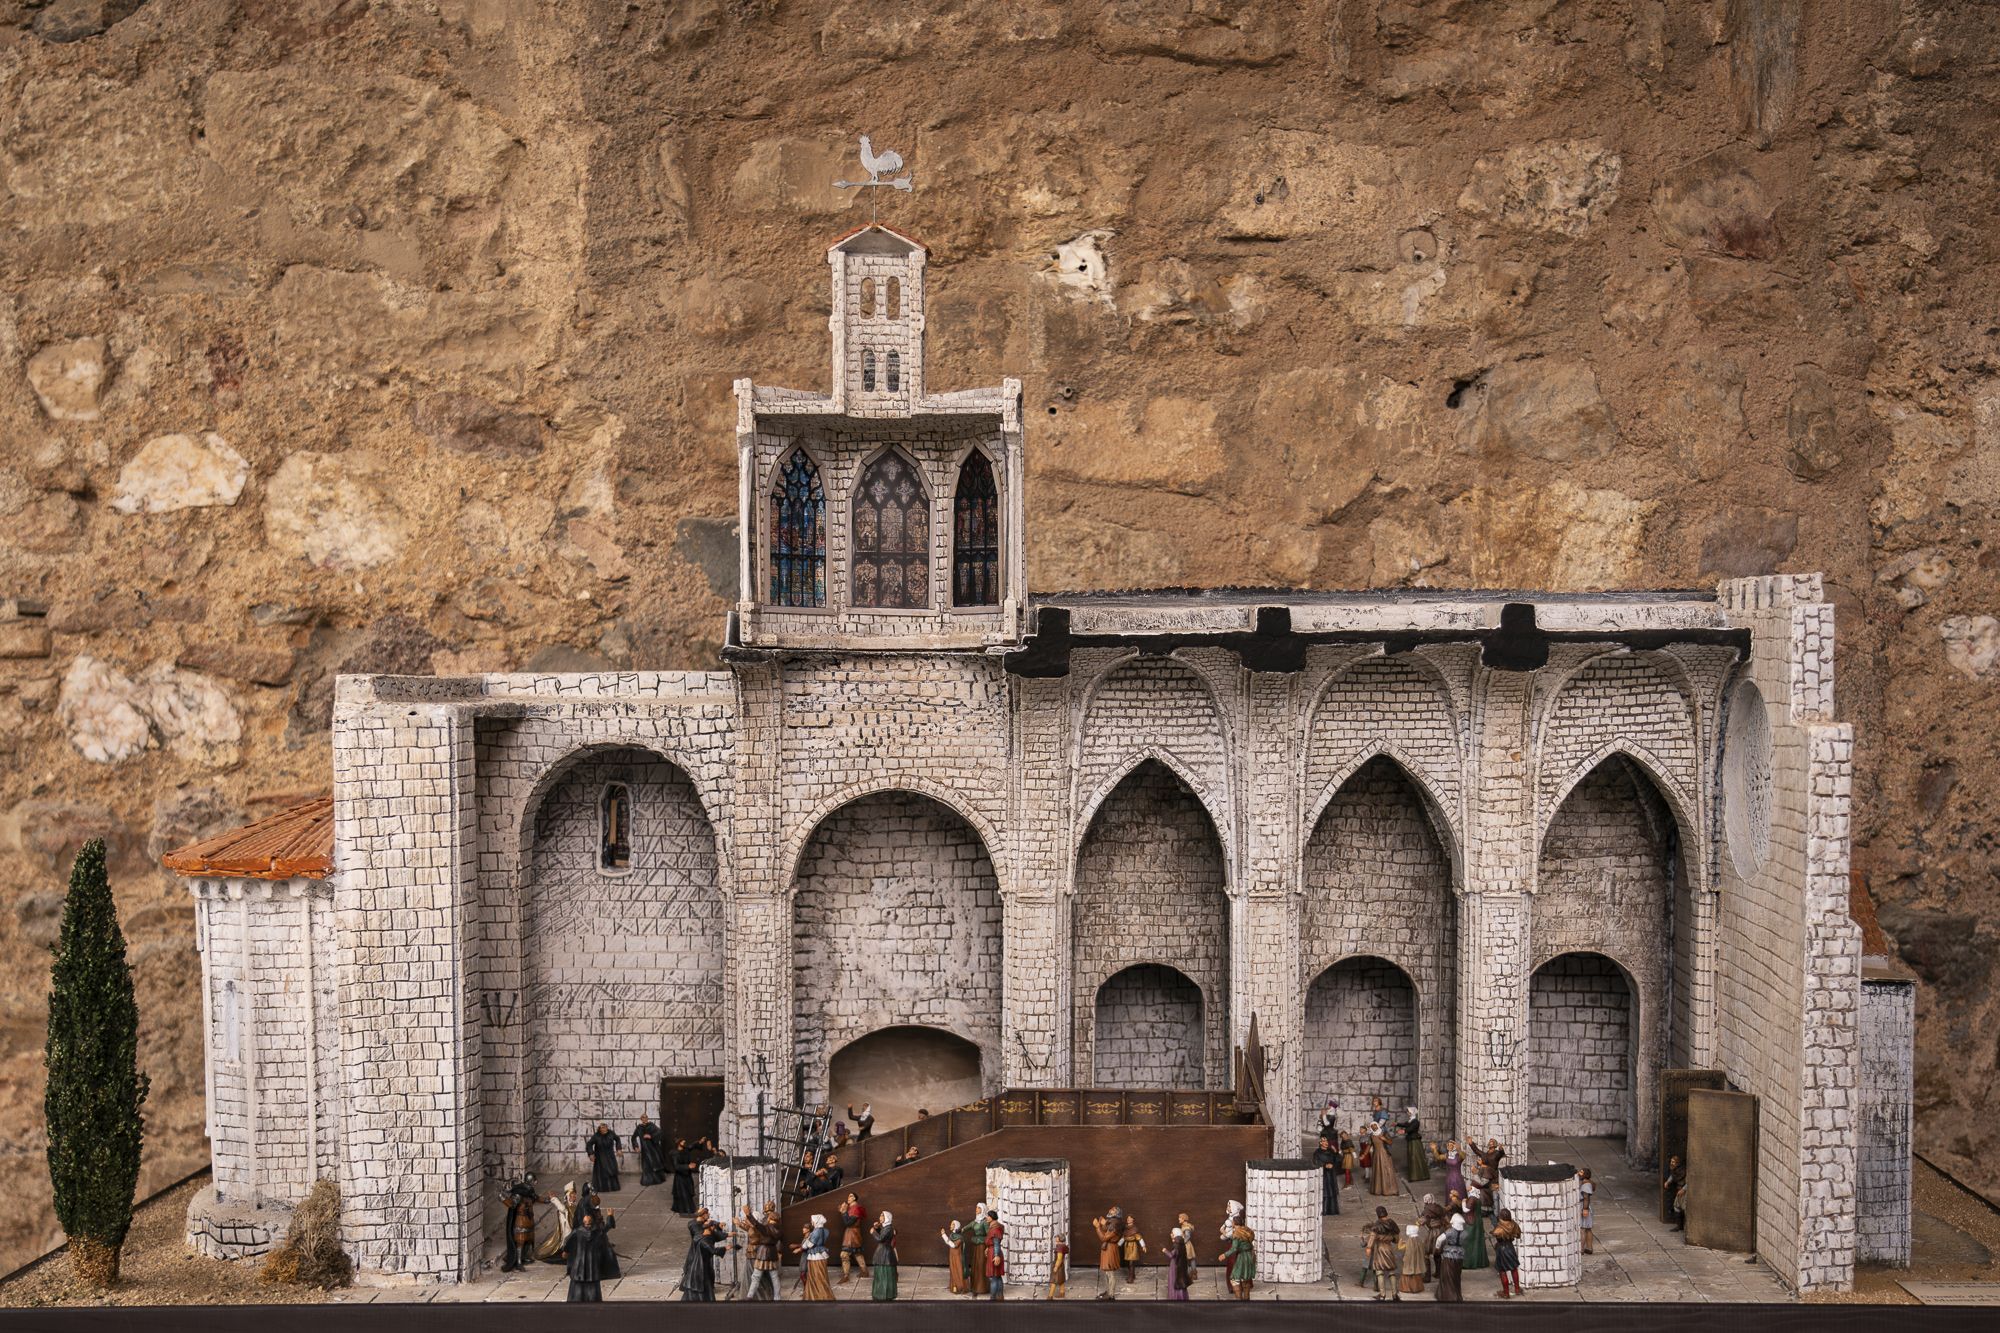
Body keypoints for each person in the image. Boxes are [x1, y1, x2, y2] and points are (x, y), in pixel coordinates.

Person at [681, 1210, 735, 1301]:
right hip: (698, 1261)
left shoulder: (704, 1234)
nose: (709, 1215)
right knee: (700, 1281)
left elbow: (712, 1229)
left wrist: (719, 1226)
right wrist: (726, 1247)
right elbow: (713, 1249)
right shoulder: (699, 1233)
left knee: (700, 1281)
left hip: (703, 1261)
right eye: (707, 1213)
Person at [739, 1202, 783, 1301]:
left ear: (771, 1219)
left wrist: (749, 1215)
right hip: (772, 1253)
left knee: (756, 1276)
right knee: (774, 1277)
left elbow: (757, 1225)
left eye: (768, 1217)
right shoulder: (779, 1229)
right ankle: (777, 1297)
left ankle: (750, 1296)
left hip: (763, 1253)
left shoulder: (767, 1228)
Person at [565, 1208, 610, 1302]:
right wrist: (610, 1216)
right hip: (592, 1264)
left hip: (579, 1263)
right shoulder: (597, 1232)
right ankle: (592, 1300)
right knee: (592, 1284)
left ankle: (577, 1300)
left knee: (578, 1283)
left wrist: (566, 1251)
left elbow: (568, 1242)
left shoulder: (578, 1232)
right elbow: (607, 1227)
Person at [499, 1175, 537, 1272]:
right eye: (534, 1181)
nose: (536, 1183)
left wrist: (547, 1200)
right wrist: (503, 1198)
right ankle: (519, 1262)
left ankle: (524, 1257)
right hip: (521, 1221)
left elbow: (536, 1198)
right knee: (520, 1241)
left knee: (528, 1240)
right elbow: (512, 1204)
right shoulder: (519, 1194)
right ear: (530, 1182)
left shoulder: (530, 1192)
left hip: (529, 1220)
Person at [536, 1182, 578, 1264]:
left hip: (573, 1229)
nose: (574, 1197)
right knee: (567, 1241)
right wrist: (554, 1199)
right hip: (567, 1230)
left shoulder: (574, 1206)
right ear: (568, 1196)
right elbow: (562, 1208)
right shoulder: (566, 1207)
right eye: (572, 1195)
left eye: (575, 1195)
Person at [1365, 1206, 1400, 1301]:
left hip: (1380, 1249)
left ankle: (1382, 1295)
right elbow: (1396, 1239)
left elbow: (1372, 1236)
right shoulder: (1392, 1223)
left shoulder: (1377, 1225)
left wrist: (1368, 1247)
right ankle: (1394, 1294)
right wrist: (1390, 1238)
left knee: (1379, 1271)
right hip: (1389, 1249)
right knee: (1391, 1271)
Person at [795, 1214, 833, 1300]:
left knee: (815, 1274)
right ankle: (818, 1292)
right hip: (821, 1253)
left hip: (816, 1255)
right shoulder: (824, 1230)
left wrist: (801, 1248)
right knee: (820, 1273)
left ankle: (817, 1293)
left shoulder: (816, 1232)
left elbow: (810, 1244)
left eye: (812, 1220)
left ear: (816, 1221)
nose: (812, 1222)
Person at [1219, 1213, 1256, 1300]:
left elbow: (1234, 1248)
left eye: (1232, 1222)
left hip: (1241, 1257)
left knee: (1234, 1279)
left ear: (1234, 1223)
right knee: (1245, 1279)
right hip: (1249, 1256)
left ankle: (1239, 1301)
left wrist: (1224, 1255)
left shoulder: (1237, 1234)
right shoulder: (1248, 1231)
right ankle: (1246, 1300)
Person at [1433, 1213, 1465, 1301]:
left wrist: (1437, 1247)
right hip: (1459, 1256)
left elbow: (1439, 1239)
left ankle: (1447, 1295)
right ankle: (1456, 1294)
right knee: (1456, 1276)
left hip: (1449, 1256)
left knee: (1447, 1275)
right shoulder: (1464, 1233)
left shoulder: (1450, 1231)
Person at [837, 1192, 867, 1285]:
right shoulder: (852, 1208)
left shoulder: (855, 1208)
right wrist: (844, 1211)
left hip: (852, 1234)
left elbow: (848, 1223)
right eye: (848, 1196)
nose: (848, 1198)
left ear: (854, 1198)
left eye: (850, 1196)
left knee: (844, 1255)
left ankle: (846, 1276)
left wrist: (844, 1212)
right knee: (857, 1253)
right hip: (852, 1232)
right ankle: (864, 1271)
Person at [1093, 1207, 1123, 1300]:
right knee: (1106, 1272)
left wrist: (1097, 1227)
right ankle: (1108, 1291)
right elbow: (1106, 1230)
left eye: (1113, 1210)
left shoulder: (1115, 1225)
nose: (1110, 1210)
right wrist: (1104, 1223)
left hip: (1110, 1249)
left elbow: (1104, 1238)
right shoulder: (1112, 1222)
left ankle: (1111, 1294)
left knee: (1110, 1273)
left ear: (1116, 1213)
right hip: (1107, 1248)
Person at [1492, 1208, 1522, 1298]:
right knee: (1514, 1268)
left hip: (1502, 1249)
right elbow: (1518, 1235)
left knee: (1502, 1271)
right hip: (1510, 1248)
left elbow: (1496, 1234)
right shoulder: (1514, 1225)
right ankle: (1517, 1289)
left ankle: (1506, 1293)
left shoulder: (1499, 1227)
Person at [870, 1210, 899, 1301]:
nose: (880, 1217)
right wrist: (877, 1229)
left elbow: (881, 1239)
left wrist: (873, 1232)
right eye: (880, 1215)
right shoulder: (886, 1228)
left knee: (884, 1275)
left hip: (885, 1254)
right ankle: (880, 1293)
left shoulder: (889, 1229)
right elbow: (883, 1235)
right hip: (882, 1253)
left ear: (886, 1218)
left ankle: (884, 1294)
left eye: (882, 1216)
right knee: (880, 1275)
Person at [585, 1121, 621, 1193]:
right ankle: (601, 1187)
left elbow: (617, 1139)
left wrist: (618, 1149)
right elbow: (589, 1144)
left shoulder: (611, 1134)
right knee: (602, 1172)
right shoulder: (596, 1136)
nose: (603, 1129)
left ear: (607, 1128)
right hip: (600, 1157)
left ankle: (613, 1187)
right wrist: (591, 1153)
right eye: (601, 1128)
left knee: (612, 1170)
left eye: (604, 1127)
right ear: (599, 1128)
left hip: (610, 1156)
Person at [1398, 1106, 1431, 1182]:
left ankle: (1418, 1175)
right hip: (1411, 1140)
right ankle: (1414, 1175)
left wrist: (1404, 1131)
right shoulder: (1410, 1121)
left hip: (1415, 1141)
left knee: (1415, 1156)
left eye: (1408, 1112)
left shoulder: (1415, 1122)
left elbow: (1411, 1128)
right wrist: (1397, 1124)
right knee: (1412, 1157)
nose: (1407, 1113)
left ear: (1412, 1112)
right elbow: (1405, 1124)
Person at [964, 1203, 990, 1296]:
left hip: (982, 1246)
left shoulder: (985, 1222)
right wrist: (958, 1231)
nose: (976, 1209)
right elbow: (966, 1228)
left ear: (983, 1210)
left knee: (981, 1265)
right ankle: (974, 1286)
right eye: (976, 1207)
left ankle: (982, 1287)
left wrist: (988, 1246)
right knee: (975, 1265)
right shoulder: (975, 1222)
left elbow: (989, 1235)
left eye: (979, 1208)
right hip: (975, 1247)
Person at [631, 1117, 666, 1187]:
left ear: (647, 1118)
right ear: (641, 1119)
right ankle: (647, 1180)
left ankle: (657, 1179)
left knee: (655, 1163)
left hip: (653, 1149)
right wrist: (636, 1146)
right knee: (646, 1165)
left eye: (645, 1118)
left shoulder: (652, 1126)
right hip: (645, 1150)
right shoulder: (639, 1128)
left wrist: (651, 1136)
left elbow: (660, 1132)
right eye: (643, 1118)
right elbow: (633, 1137)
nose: (644, 1119)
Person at [1368, 1119, 1400, 1196]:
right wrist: (1364, 1154)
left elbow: (1390, 1142)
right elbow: (1369, 1145)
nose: (1374, 1127)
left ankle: (1390, 1189)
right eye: (1372, 1126)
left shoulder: (1384, 1133)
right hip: (1376, 1155)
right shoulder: (1371, 1136)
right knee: (1378, 1171)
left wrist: (1384, 1139)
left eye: (1375, 1125)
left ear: (1377, 1125)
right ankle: (1378, 1190)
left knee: (1387, 1170)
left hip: (1384, 1154)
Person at [1461, 1190, 1489, 1272]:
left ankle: (1469, 1263)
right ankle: (1480, 1262)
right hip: (1478, 1221)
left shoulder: (1472, 1199)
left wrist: (1463, 1202)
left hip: (1472, 1222)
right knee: (1478, 1241)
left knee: (1468, 1241)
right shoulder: (1477, 1198)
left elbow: (1466, 1210)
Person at [983, 1209, 1006, 1300]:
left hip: (994, 1253)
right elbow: (993, 1242)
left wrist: (996, 1256)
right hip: (993, 1251)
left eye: (988, 1216)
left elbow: (996, 1243)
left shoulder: (995, 1229)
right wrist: (988, 1247)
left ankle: (993, 1298)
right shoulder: (994, 1227)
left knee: (993, 1278)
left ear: (992, 1217)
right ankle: (1000, 1296)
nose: (987, 1218)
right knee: (997, 1276)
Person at [669, 1138, 697, 1214]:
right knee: (683, 1193)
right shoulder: (675, 1154)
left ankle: (686, 1207)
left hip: (687, 1175)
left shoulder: (685, 1150)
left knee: (688, 1191)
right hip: (680, 1178)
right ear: (678, 1143)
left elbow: (691, 1146)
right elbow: (676, 1166)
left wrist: (699, 1142)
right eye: (682, 1141)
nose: (684, 1142)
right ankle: (686, 1209)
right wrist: (688, 1166)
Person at [1399, 1222, 1427, 1295]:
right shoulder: (1419, 1240)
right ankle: (1417, 1287)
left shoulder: (1409, 1241)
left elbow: (1400, 1248)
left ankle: (1407, 1288)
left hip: (1409, 1261)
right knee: (1416, 1273)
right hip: (1417, 1262)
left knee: (1408, 1272)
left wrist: (1400, 1242)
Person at [942, 1219, 968, 1295]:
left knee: (958, 1270)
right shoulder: (952, 1235)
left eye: (952, 1224)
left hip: (958, 1256)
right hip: (952, 1255)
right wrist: (944, 1236)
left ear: (956, 1226)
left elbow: (953, 1245)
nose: (950, 1226)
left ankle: (960, 1287)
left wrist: (944, 1235)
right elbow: (949, 1242)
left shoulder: (959, 1237)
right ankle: (954, 1286)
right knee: (953, 1270)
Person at [1120, 1214, 1146, 1283]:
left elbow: (1139, 1238)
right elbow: (1123, 1238)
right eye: (1127, 1218)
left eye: (1130, 1218)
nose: (1128, 1219)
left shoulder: (1135, 1229)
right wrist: (1118, 1245)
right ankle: (1132, 1274)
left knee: (1131, 1262)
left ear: (1132, 1219)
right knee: (1128, 1263)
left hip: (1133, 1247)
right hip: (1127, 1247)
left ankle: (1131, 1277)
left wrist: (1143, 1246)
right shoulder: (1126, 1228)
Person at [1663, 1155, 1687, 1229]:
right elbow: (1672, 1176)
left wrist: (1683, 1189)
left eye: (1673, 1162)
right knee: (1676, 1207)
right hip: (1679, 1190)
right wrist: (1668, 1182)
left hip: (1684, 1192)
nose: (1671, 1163)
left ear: (1677, 1163)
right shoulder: (1675, 1170)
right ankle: (1679, 1226)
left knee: (1685, 1208)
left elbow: (1689, 1181)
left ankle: (1685, 1226)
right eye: (1671, 1161)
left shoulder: (1684, 1171)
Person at [1166, 1225, 1190, 1300]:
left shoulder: (1177, 1244)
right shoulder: (1181, 1243)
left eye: (1172, 1233)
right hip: (1180, 1264)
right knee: (1179, 1279)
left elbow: (1171, 1255)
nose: (1170, 1234)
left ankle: (1175, 1296)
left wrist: (1165, 1251)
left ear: (1175, 1235)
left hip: (1175, 1265)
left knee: (1174, 1279)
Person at [1578, 1167, 1596, 1253]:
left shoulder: (1586, 1185)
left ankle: (1581, 1249)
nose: (1579, 1173)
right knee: (1588, 1228)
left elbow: (1586, 1198)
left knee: (1583, 1229)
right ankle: (1589, 1248)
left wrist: (1585, 1209)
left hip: (1584, 1207)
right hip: (1585, 1207)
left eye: (1581, 1172)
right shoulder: (1585, 1183)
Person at [1050, 1229, 1069, 1299]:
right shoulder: (1064, 1246)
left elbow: (1059, 1258)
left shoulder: (1059, 1247)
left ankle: (1050, 1296)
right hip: (1062, 1265)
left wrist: (1056, 1266)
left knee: (1054, 1280)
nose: (1056, 1238)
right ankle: (1062, 1293)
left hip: (1058, 1264)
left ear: (1059, 1239)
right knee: (1061, 1279)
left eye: (1057, 1237)